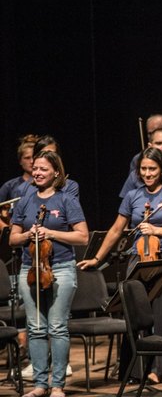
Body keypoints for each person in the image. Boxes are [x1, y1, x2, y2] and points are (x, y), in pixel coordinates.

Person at [78, 147, 162, 384]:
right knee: (137, 314)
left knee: (161, 314)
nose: (148, 173)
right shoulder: (133, 196)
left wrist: (156, 230)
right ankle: (137, 368)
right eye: (144, 169)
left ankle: (160, 368)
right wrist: (97, 259)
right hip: (138, 258)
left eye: (152, 168)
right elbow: (116, 230)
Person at [10, 150, 88, 397]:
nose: (38, 172)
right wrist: (27, 234)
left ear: (56, 172)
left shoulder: (66, 199)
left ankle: (57, 385)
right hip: (30, 268)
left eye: (43, 169)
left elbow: (82, 236)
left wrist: (51, 233)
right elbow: (13, 239)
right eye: (35, 168)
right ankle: (40, 385)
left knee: (57, 326)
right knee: (35, 327)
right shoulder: (25, 199)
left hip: (61, 268)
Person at [0, 134, 37, 230]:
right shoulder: (9, 186)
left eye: (34, 157)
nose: (32, 161)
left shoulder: (47, 185)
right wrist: (7, 229)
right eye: (27, 158)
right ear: (20, 161)